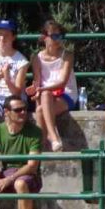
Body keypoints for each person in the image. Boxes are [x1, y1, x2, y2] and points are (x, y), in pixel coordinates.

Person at [26, 20, 77, 153]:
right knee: (41, 107)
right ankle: (51, 141)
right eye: (54, 36)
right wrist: (36, 90)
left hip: (66, 94)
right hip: (46, 96)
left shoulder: (67, 55)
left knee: (40, 110)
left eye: (59, 36)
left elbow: (62, 83)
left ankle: (45, 143)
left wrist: (41, 90)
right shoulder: (36, 58)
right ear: (44, 37)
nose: (57, 39)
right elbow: (38, 81)